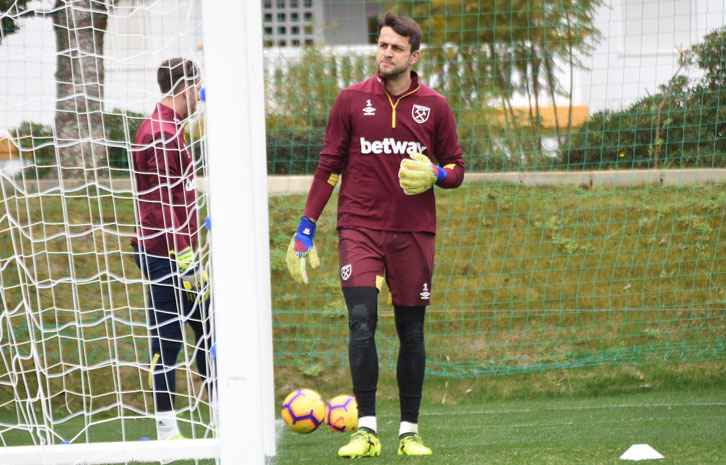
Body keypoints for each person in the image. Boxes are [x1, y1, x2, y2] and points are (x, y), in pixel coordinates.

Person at [285, 13, 465, 458]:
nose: (385, 53)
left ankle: (409, 431)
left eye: (395, 48)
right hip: (359, 228)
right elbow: (329, 167)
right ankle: (365, 429)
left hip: (413, 233)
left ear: (414, 56)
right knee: (361, 320)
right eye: (382, 45)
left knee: (412, 332)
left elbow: (458, 168)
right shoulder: (350, 100)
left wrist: (438, 174)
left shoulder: (435, 107)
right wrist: (306, 226)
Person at [131, 57, 212, 441]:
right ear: (185, 87)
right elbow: (164, 206)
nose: (201, 94)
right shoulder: (161, 133)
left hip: (172, 250)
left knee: (210, 329)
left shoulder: (166, 126)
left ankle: (218, 411)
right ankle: (167, 429)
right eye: (198, 86)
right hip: (166, 254)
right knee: (169, 338)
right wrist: (187, 259)